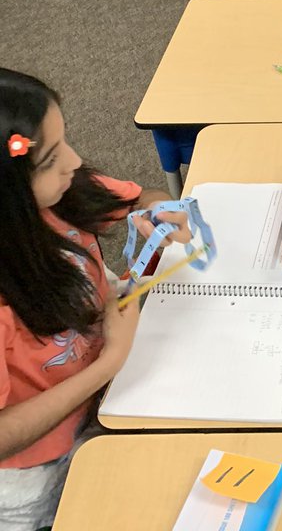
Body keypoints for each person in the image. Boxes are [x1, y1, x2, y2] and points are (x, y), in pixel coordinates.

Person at [0, 68, 191, 530]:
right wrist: (113, 360)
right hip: (35, 474)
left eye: (65, 140)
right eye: (50, 159)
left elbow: (143, 196)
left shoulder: (59, 192)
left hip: (104, 393)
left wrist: (156, 210)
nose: (74, 161)